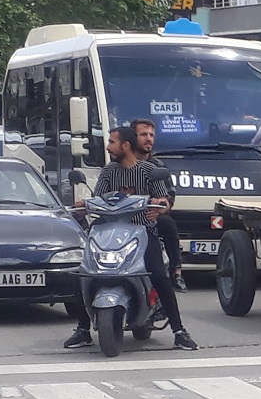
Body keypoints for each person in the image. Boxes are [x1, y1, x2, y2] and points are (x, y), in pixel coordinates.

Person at [63, 126, 198, 351]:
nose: (108, 146)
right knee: (84, 272)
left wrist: (161, 207)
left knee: (157, 275)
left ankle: (179, 331)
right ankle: (83, 329)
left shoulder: (149, 171)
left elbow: (163, 199)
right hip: (108, 233)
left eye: (112, 142)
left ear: (125, 145)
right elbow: (99, 198)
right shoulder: (108, 172)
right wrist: (85, 205)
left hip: (142, 232)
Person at [131, 119, 186, 292]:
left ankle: (176, 271)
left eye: (151, 135)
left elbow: (169, 198)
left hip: (150, 219)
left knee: (168, 223)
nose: (148, 139)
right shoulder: (119, 166)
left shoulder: (158, 167)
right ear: (132, 138)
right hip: (124, 220)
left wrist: (161, 207)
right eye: (143, 135)